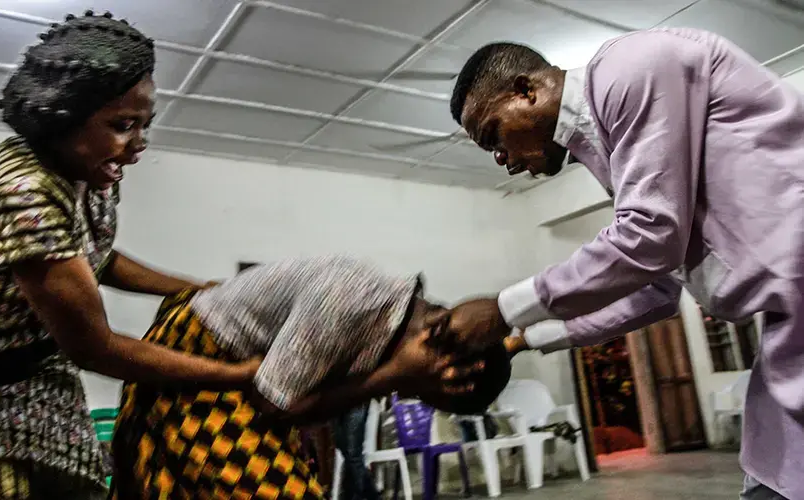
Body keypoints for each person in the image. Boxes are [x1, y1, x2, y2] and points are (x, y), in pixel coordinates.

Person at [0, 11, 262, 499]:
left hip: (41, 377)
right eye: (122, 125)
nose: (138, 144)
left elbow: (97, 257)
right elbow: (94, 346)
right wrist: (237, 377)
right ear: (62, 116)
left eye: (144, 125)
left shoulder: (92, 175)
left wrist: (198, 289)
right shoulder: (21, 191)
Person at [445, 27, 804, 500]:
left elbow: (649, 237)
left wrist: (503, 306)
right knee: (772, 477)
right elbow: (655, 290)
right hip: (789, 323)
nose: (501, 159)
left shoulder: (630, 67)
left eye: (494, 135)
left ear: (526, 91)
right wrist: (521, 339)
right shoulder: (606, 151)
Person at [112, 256, 512, 499]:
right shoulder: (353, 300)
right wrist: (392, 376)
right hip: (195, 363)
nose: (411, 396)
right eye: (429, 396)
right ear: (450, 364)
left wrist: (390, 374)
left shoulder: (386, 329)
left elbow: (300, 410)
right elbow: (276, 407)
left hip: (246, 380)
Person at [332, 404, 379, 500]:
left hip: (356, 399)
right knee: (343, 448)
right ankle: (370, 495)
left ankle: (363, 496)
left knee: (353, 453)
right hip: (335, 402)